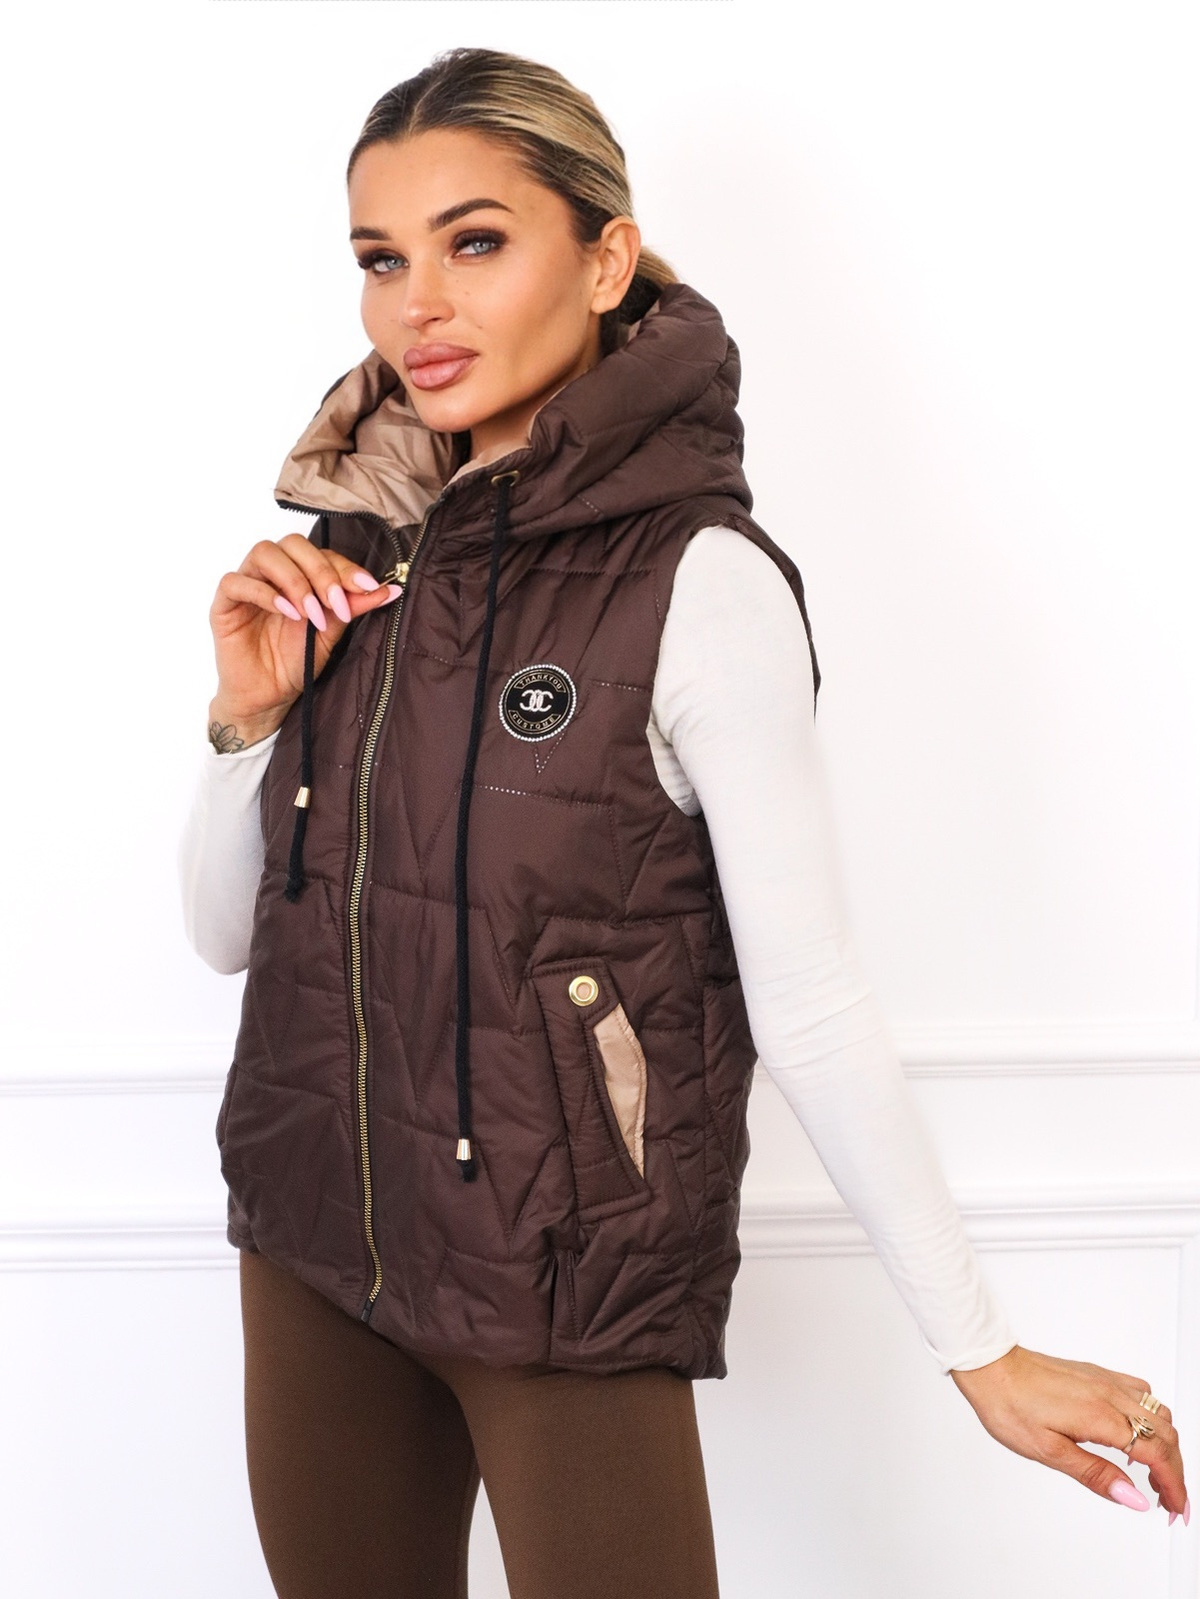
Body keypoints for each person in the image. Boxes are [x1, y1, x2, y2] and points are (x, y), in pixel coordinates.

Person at [179, 46, 1189, 1599]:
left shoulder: (699, 583)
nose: (418, 306)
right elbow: (227, 935)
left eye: (474, 242)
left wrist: (978, 1347)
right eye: (382, 260)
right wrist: (247, 722)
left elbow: (812, 996)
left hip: (564, 1280)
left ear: (607, 262)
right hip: (311, 1249)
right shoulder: (348, 551)